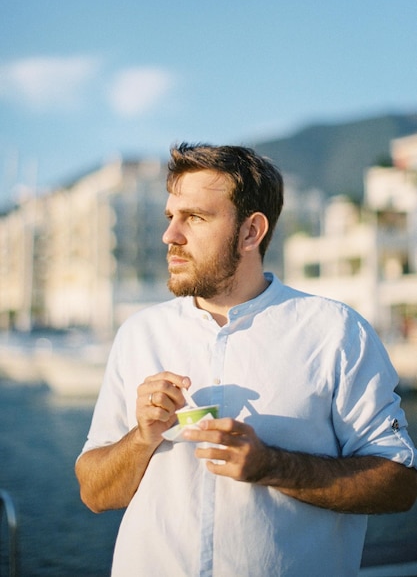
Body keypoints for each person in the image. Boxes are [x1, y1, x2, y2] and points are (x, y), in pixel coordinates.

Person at [76, 143, 417, 577]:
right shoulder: (138, 334)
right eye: (170, 217)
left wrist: (271, 465)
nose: (170, 236)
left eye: (194, 218)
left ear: (251, 231)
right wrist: (141, 438)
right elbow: (94, 491)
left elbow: (400, 484)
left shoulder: (336, 332)